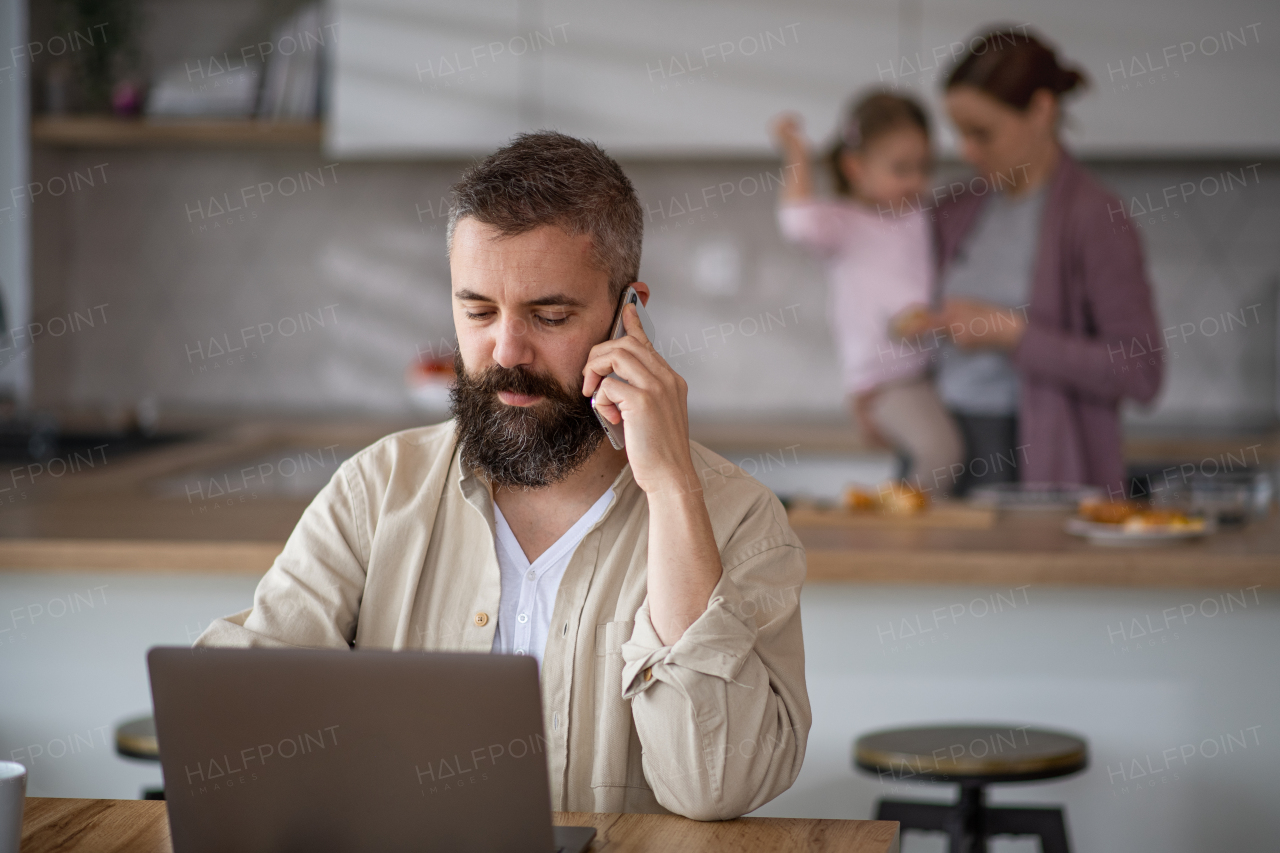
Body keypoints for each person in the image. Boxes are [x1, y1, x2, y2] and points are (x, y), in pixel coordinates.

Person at [194, 131, 810, 821]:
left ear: (627, 312)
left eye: (550, 315)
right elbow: (239, 712)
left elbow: (714, 786)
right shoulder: (377, 489)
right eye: (478, 311)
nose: (506, 350)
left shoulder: (739, 522)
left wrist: (671, 491)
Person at [899, 28, 1162, 497]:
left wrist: (1013, 335)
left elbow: (1141, 372)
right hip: (939, 448)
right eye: (959, 132)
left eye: (982, 133)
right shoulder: (953, 210)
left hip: (1035, 458)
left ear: (1041, 111)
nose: (967, 151)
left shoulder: (1096, 217)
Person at [772, 93, 964, 494]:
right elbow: (797, 221)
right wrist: (797, 153)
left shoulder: (917, 215)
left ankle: (905, 520)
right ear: (855, 167)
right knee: (942, 452)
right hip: (882, 383)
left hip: (921, 373)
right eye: (900, 169)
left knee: (937, 454)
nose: (916, 181)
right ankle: (904, 528)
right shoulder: (844, 222)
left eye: (924, 167)